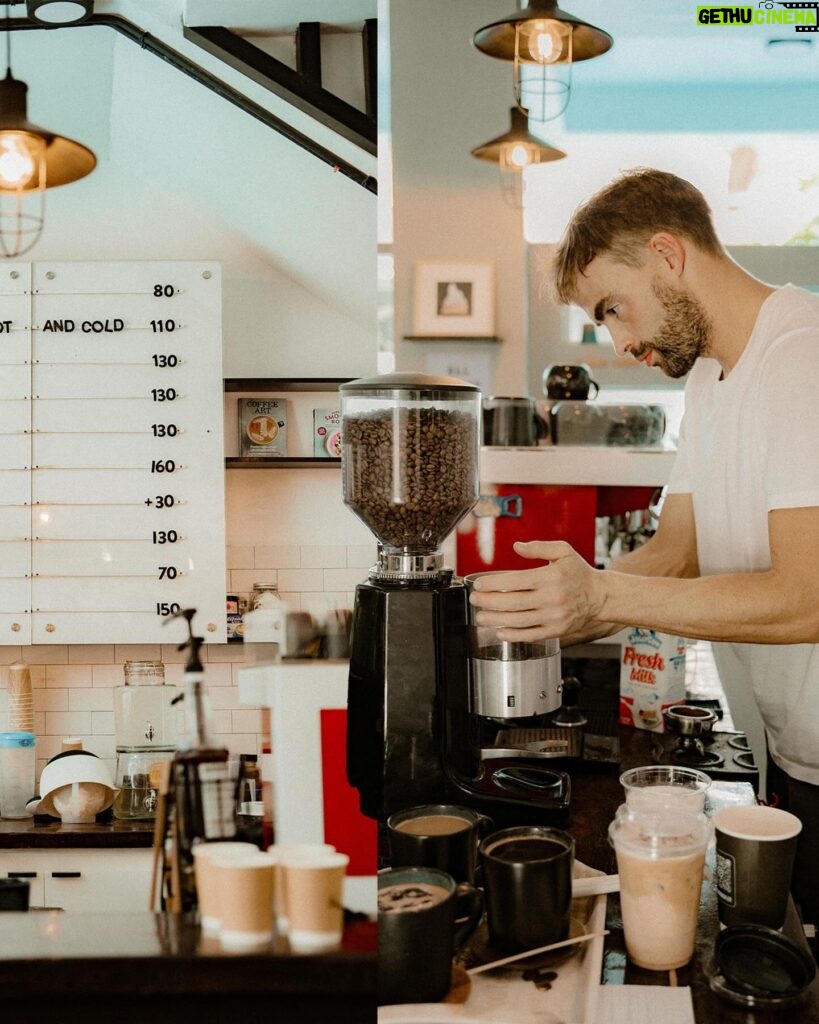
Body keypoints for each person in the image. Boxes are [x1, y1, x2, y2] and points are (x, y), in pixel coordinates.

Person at [468, 167, 819, 924]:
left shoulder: (801, 357)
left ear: (666, 254)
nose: (620, 343)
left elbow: (806, 596)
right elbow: (676, 551)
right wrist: (552, 610)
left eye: (613, 310)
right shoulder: (710, 380)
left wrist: (602, 595)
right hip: (793, 751)